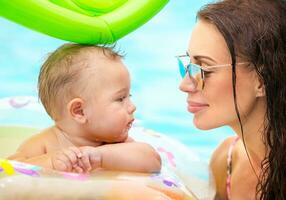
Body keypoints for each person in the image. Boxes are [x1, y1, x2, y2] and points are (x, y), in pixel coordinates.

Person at [178, 0, 286, 199]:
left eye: (204, 69)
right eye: (187, 65)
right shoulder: (226, 162)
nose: (185, 84)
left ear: (262, 81)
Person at [8, 43, 161, 174]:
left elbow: (153, 161)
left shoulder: (115, 145)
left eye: (129, 96)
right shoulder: (44, 144)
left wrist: (100, 157)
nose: (132, 107)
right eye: (120, 99)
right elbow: (10, 169)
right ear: (79, 111)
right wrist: (50, 162)